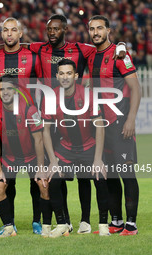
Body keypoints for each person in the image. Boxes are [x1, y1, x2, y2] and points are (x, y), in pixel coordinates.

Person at [0, 14, 127, 234]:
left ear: (65, 29)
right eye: (49, 29)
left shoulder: (80, 49)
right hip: (44, 117)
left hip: (65, 116)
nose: (52, 32)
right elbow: (14, 42)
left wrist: (121, 46)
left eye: (56, 29)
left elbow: (104, 47)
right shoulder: (39, 49)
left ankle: (82, 220)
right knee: (48, 174)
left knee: (79, 175)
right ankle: (59, 221)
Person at [40, 59, 109, 237]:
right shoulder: (51, 97)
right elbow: (45, 131)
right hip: (66, 147)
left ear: (76, 76)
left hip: (88, 146)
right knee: (53, 179)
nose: (65, 77)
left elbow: (100, 126)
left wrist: (98, 159)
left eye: (69, 73)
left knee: (99, 176)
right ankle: (63, 223)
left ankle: (102, 225)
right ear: (56, 76)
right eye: (61, 73)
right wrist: (53, 161)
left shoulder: (87, 95)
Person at [88, 15, 141, 236]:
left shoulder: (121, 55)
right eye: (92, 29)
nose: (95, 32)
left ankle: (131, 224)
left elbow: (136, 88)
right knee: (107, 175)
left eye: (100, 28)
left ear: (108, 30)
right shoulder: (91, 55)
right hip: (101, 127)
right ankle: (116, 221)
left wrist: (130, 119)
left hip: (120, 124)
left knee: (126, 174)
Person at [0, 75, 45, 237]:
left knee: (42, 185)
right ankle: (9, 226)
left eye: (9, 89)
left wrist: (40, 168)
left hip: (31, 155)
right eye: (1, 89)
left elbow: (39, 141)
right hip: (9, 158)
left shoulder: (29, 109)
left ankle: (38, 222)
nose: (5, 92)